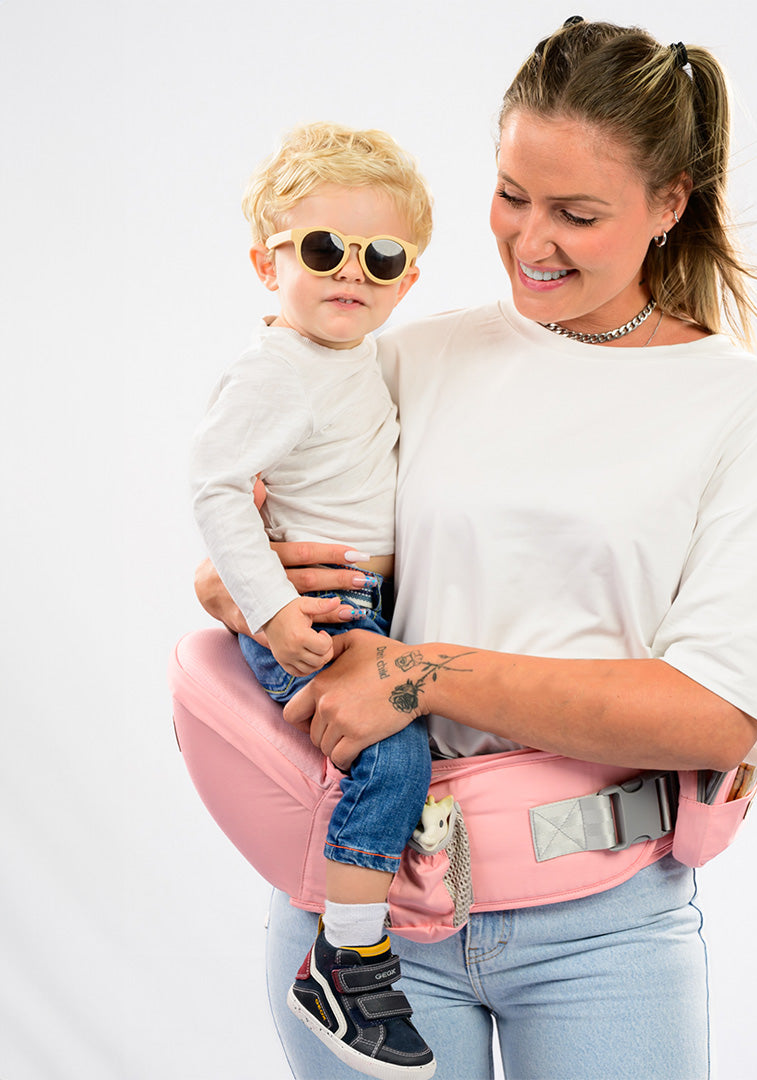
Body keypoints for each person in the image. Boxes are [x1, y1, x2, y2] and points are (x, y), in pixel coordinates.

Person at [192, 17, 757, 1078]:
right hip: (365, 917)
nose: (533, 241)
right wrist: (237, 584)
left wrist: (417, 673)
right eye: (511, 196)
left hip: (604, 929)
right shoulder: (407, 359)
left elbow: (722, 712)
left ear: (670, 203)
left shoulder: (750, 411)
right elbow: (253, 522)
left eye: (578, 214)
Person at [189, 122, 437, 1076]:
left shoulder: (356, 356)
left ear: (408, 280)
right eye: (326, 249)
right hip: (319, 608)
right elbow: (216, 487)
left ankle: (362, 927)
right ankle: (347, 958)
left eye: (383, 258)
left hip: (367, 602)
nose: (353, 274)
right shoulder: (278, 368)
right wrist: (270, 610)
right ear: (269, 264)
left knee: (398, 755)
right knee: (392, 752)